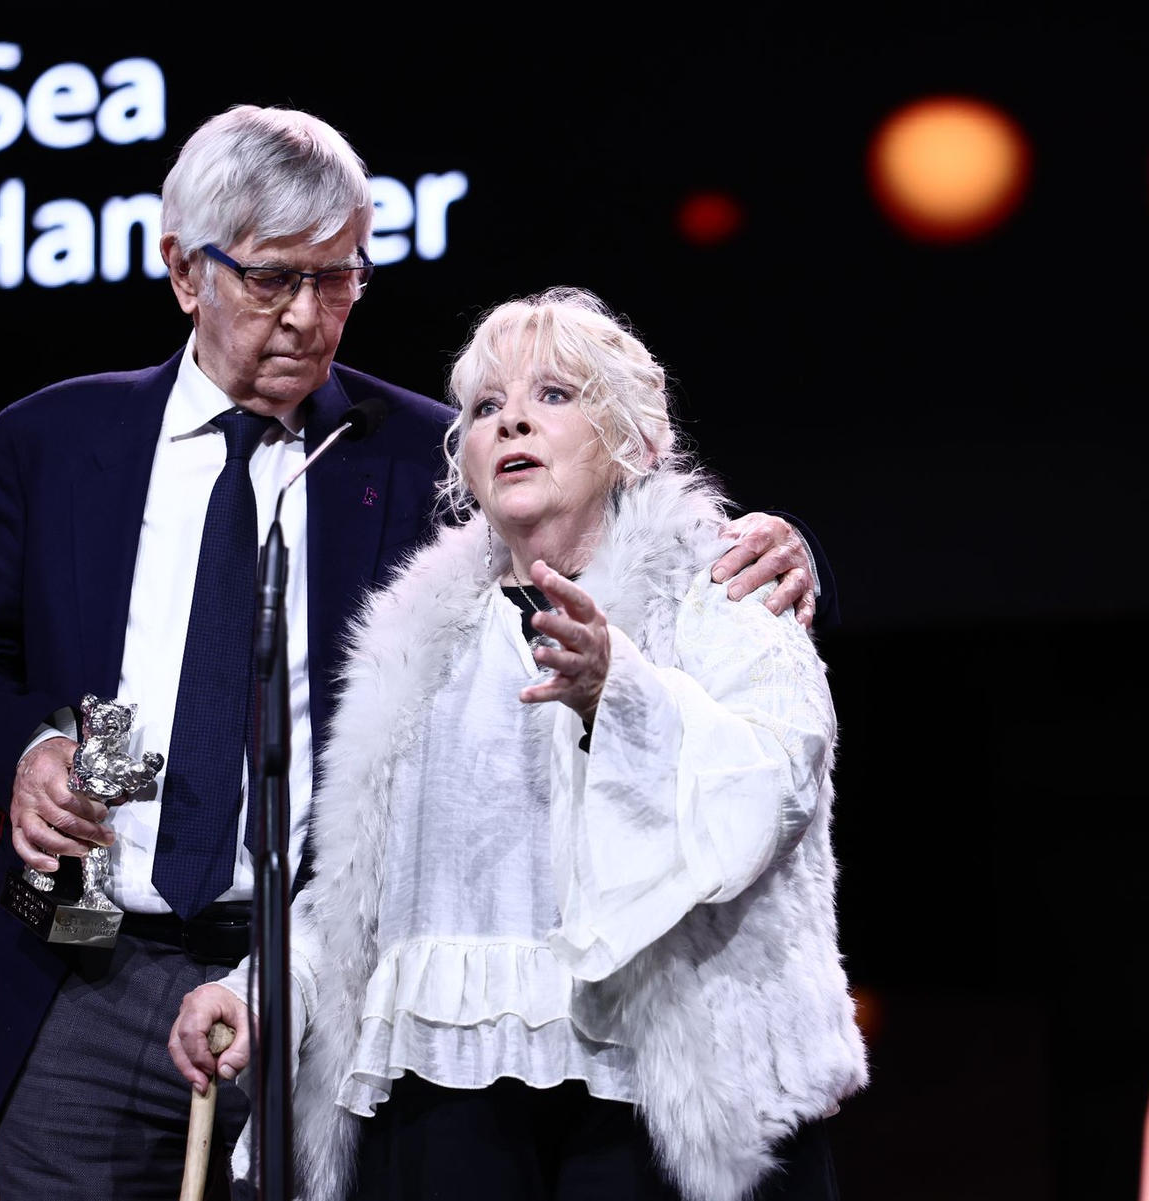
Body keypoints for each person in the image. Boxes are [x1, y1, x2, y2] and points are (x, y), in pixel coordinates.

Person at [0, 109, 831, 1198]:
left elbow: (620, 524)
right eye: (273, 279)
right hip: (85, 959)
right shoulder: (54, 440)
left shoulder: (425, 449)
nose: (308, 316)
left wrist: (788, 550)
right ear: (184, 271)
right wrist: (29, 749)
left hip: (314, 986)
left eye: (338, 278)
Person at [172, 288, 867, 1201]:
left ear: (630, 438)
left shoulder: (724, 584)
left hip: (650, 1093)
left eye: (554, 394)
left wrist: (617, 690)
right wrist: (260, 988)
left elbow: (773, 792)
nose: (512, 423)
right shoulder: (418, 640)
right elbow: (362, 892)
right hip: (442, 1093)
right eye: (486, 407)